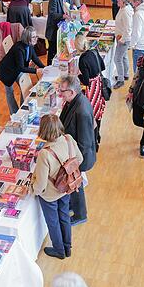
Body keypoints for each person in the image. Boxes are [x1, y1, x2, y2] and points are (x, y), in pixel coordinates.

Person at [32, 115, 83, 259]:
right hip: (67, 187)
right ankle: (67, 247)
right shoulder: (68, 139)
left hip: (50, 194)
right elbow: (79, 159)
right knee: (65, 216)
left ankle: (59, 250)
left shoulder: (44, 153)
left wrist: (32, 191)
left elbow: (40, 185)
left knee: (53, 222)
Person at [58, 75, 96, 227]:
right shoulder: (74, 101)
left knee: (76, 183)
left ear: (72, 92)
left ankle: (81, 214)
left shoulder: (82, 111)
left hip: (79, 156)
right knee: (73, 184)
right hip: (73, 152)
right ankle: (74, 206)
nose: (61, 94)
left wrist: (74, 162)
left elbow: (85, 142)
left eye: (63, 91)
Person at [0, 27, 45, 115]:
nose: (36, 39)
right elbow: (21, 68)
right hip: (7, 72)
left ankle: (22, 108)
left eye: (36, 36)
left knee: (25, 87)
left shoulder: (29, 46)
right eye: (33, 37)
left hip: (16, 68)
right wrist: (36, 71)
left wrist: (45, 68)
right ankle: (14, 113)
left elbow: (35, 58)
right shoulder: (19, 49)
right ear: (27, 38)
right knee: (10, 92)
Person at [75, 34, 106, 148]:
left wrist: (79, 76)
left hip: (92, 89)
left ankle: (94, 140)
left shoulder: (82, 59)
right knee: (98, 112)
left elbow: (87, 81)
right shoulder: (94, 51)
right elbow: (102, 67)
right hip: (99, 84)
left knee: (91, 114)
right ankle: (98, 135)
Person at [46, 0, 76, 64]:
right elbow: (52, 14)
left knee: (61, 53)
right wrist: (64, 16)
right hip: (54, 31)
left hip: (64, 32)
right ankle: (49, 70)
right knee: (52, 53)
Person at [113, 0, 133, 90]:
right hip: (121, 37)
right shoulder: (122, 8)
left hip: (123, 40)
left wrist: (123, 39)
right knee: (123, 56)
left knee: (117, 58)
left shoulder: (125, 12)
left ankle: (120, 80)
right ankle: (125, 74)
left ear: (123, 1)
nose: (117, 1)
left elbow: (128, 28)